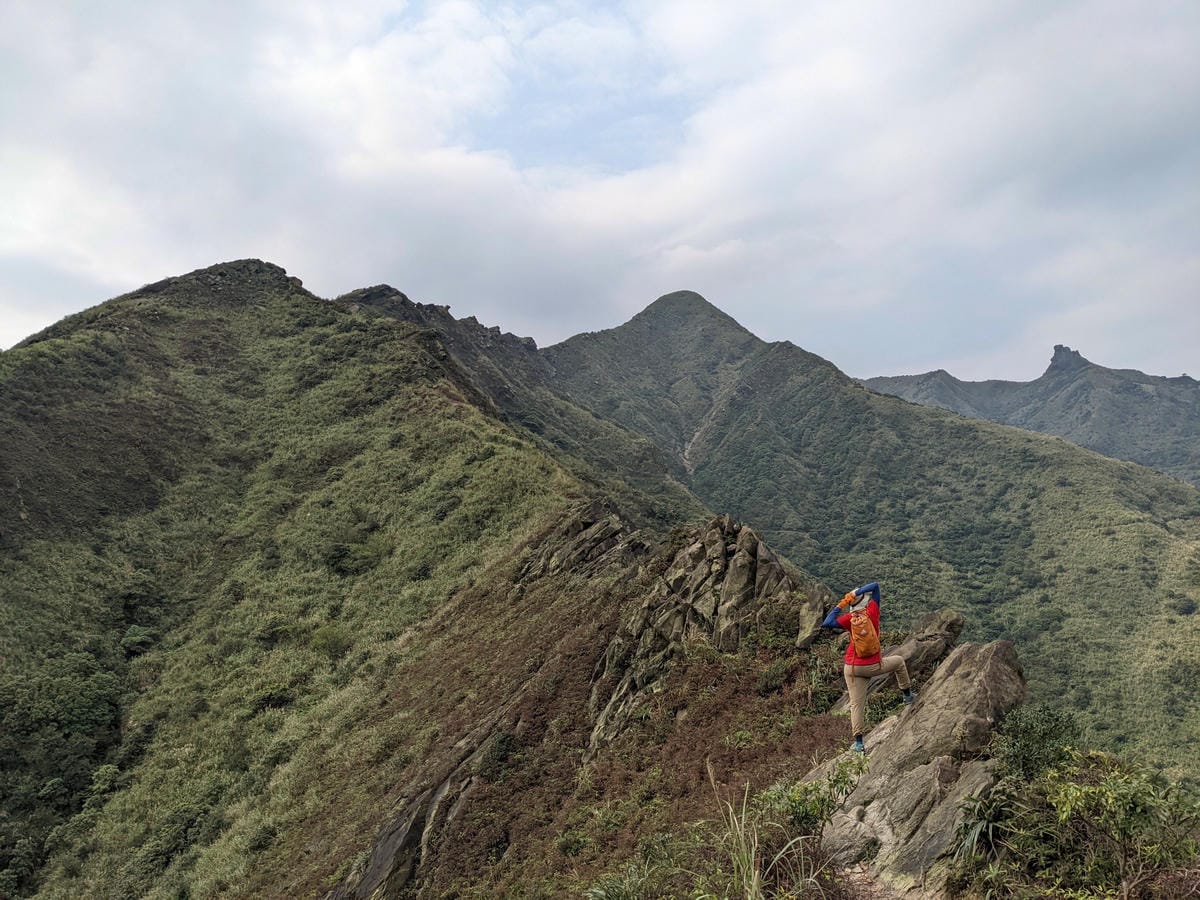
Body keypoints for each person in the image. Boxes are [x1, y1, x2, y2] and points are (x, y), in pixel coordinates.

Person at [821, 581, 914, 753]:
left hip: (851, 668)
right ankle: (907, 696)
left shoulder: (849, 619)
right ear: (865, 601)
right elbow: (876, 586)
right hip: (872, 665)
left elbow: (827, 623)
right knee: (899, 661)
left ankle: (858, 743)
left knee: (857, 705)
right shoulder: (872, 612)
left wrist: (841, 603)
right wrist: (857, 590)